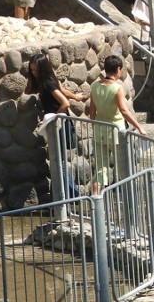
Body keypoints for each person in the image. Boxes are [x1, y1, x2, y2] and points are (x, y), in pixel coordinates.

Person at [27, 54, 87, 198]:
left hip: (58, 125)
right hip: (59, 124)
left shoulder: (47, 83)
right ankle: (64, 196)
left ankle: (72, 195)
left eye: (36, 70)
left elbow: (64, 103)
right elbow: (62, 91)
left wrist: (51, 118)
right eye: (32, 70)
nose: (34, 73)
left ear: (43, 69)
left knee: (59, 162)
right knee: (58, 161)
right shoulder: (50, 79)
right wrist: (75, 96)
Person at [89, 55, 146, 194]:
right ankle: (127, 201)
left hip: (99, 131)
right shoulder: (117, 88)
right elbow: (124, 111)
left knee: (100, 171)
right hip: (116, 133)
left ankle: (96, 203)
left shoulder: (94, 86)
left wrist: (94, 127)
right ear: (118, 69)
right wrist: (139, 127)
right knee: (123, 168)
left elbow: (92, 112)